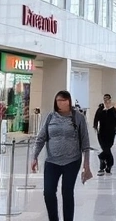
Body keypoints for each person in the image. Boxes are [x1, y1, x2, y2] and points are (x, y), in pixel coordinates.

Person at [31, 91, 93, 221]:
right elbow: (41, 138)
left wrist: (86, 165)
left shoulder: (78, 117)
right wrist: (34, 156)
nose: (61, 103)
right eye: (59, 100)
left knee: (67, 192)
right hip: (52, 161)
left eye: (64, 100)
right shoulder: (50, 117)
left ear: (70, 101)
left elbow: (85, 143)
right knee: (48, 193)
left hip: (72, 161)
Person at [93, 93, 116, 176]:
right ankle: (108, 166)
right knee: (105, 148)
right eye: (104, 98)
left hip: (111, 132)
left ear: (110, 99)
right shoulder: (100, 109)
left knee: (107, 148)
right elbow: (96, 119)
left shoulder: (113, 109)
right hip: (101, 132)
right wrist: (96, 127)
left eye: (107, 98)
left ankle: (102, 159)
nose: (106, 100)